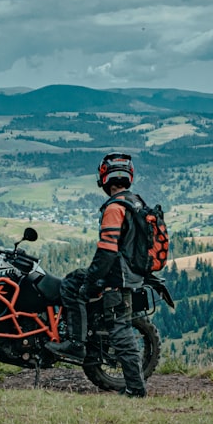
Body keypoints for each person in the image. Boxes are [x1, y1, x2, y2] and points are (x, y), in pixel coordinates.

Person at [46, 152, 148, 397]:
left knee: (120, 329)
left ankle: (79, 346)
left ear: (105, 177)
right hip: (128, 272)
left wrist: (92, 282)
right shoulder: (136, 202)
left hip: (117, 276)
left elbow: (107, 250)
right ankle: (77, 339)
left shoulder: (115, 208)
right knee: (72, 280)